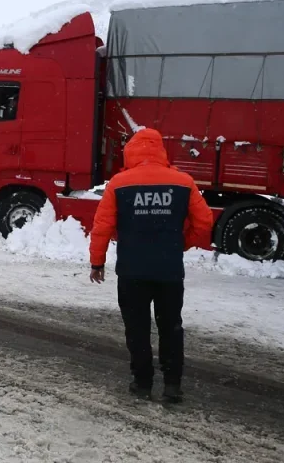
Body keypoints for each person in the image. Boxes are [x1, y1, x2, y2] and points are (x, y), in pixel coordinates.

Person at [87, 128, 213, 402]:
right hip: (169, 271)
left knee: (137, 328)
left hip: (132, 271)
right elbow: (205, 221)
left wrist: (97, 262)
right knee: (171, 327)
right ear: (160, 150)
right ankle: (172, 385)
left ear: (130, 151)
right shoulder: (183, 182)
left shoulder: (118, 183)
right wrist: (182, 243)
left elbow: (102, 227)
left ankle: (142, 383)